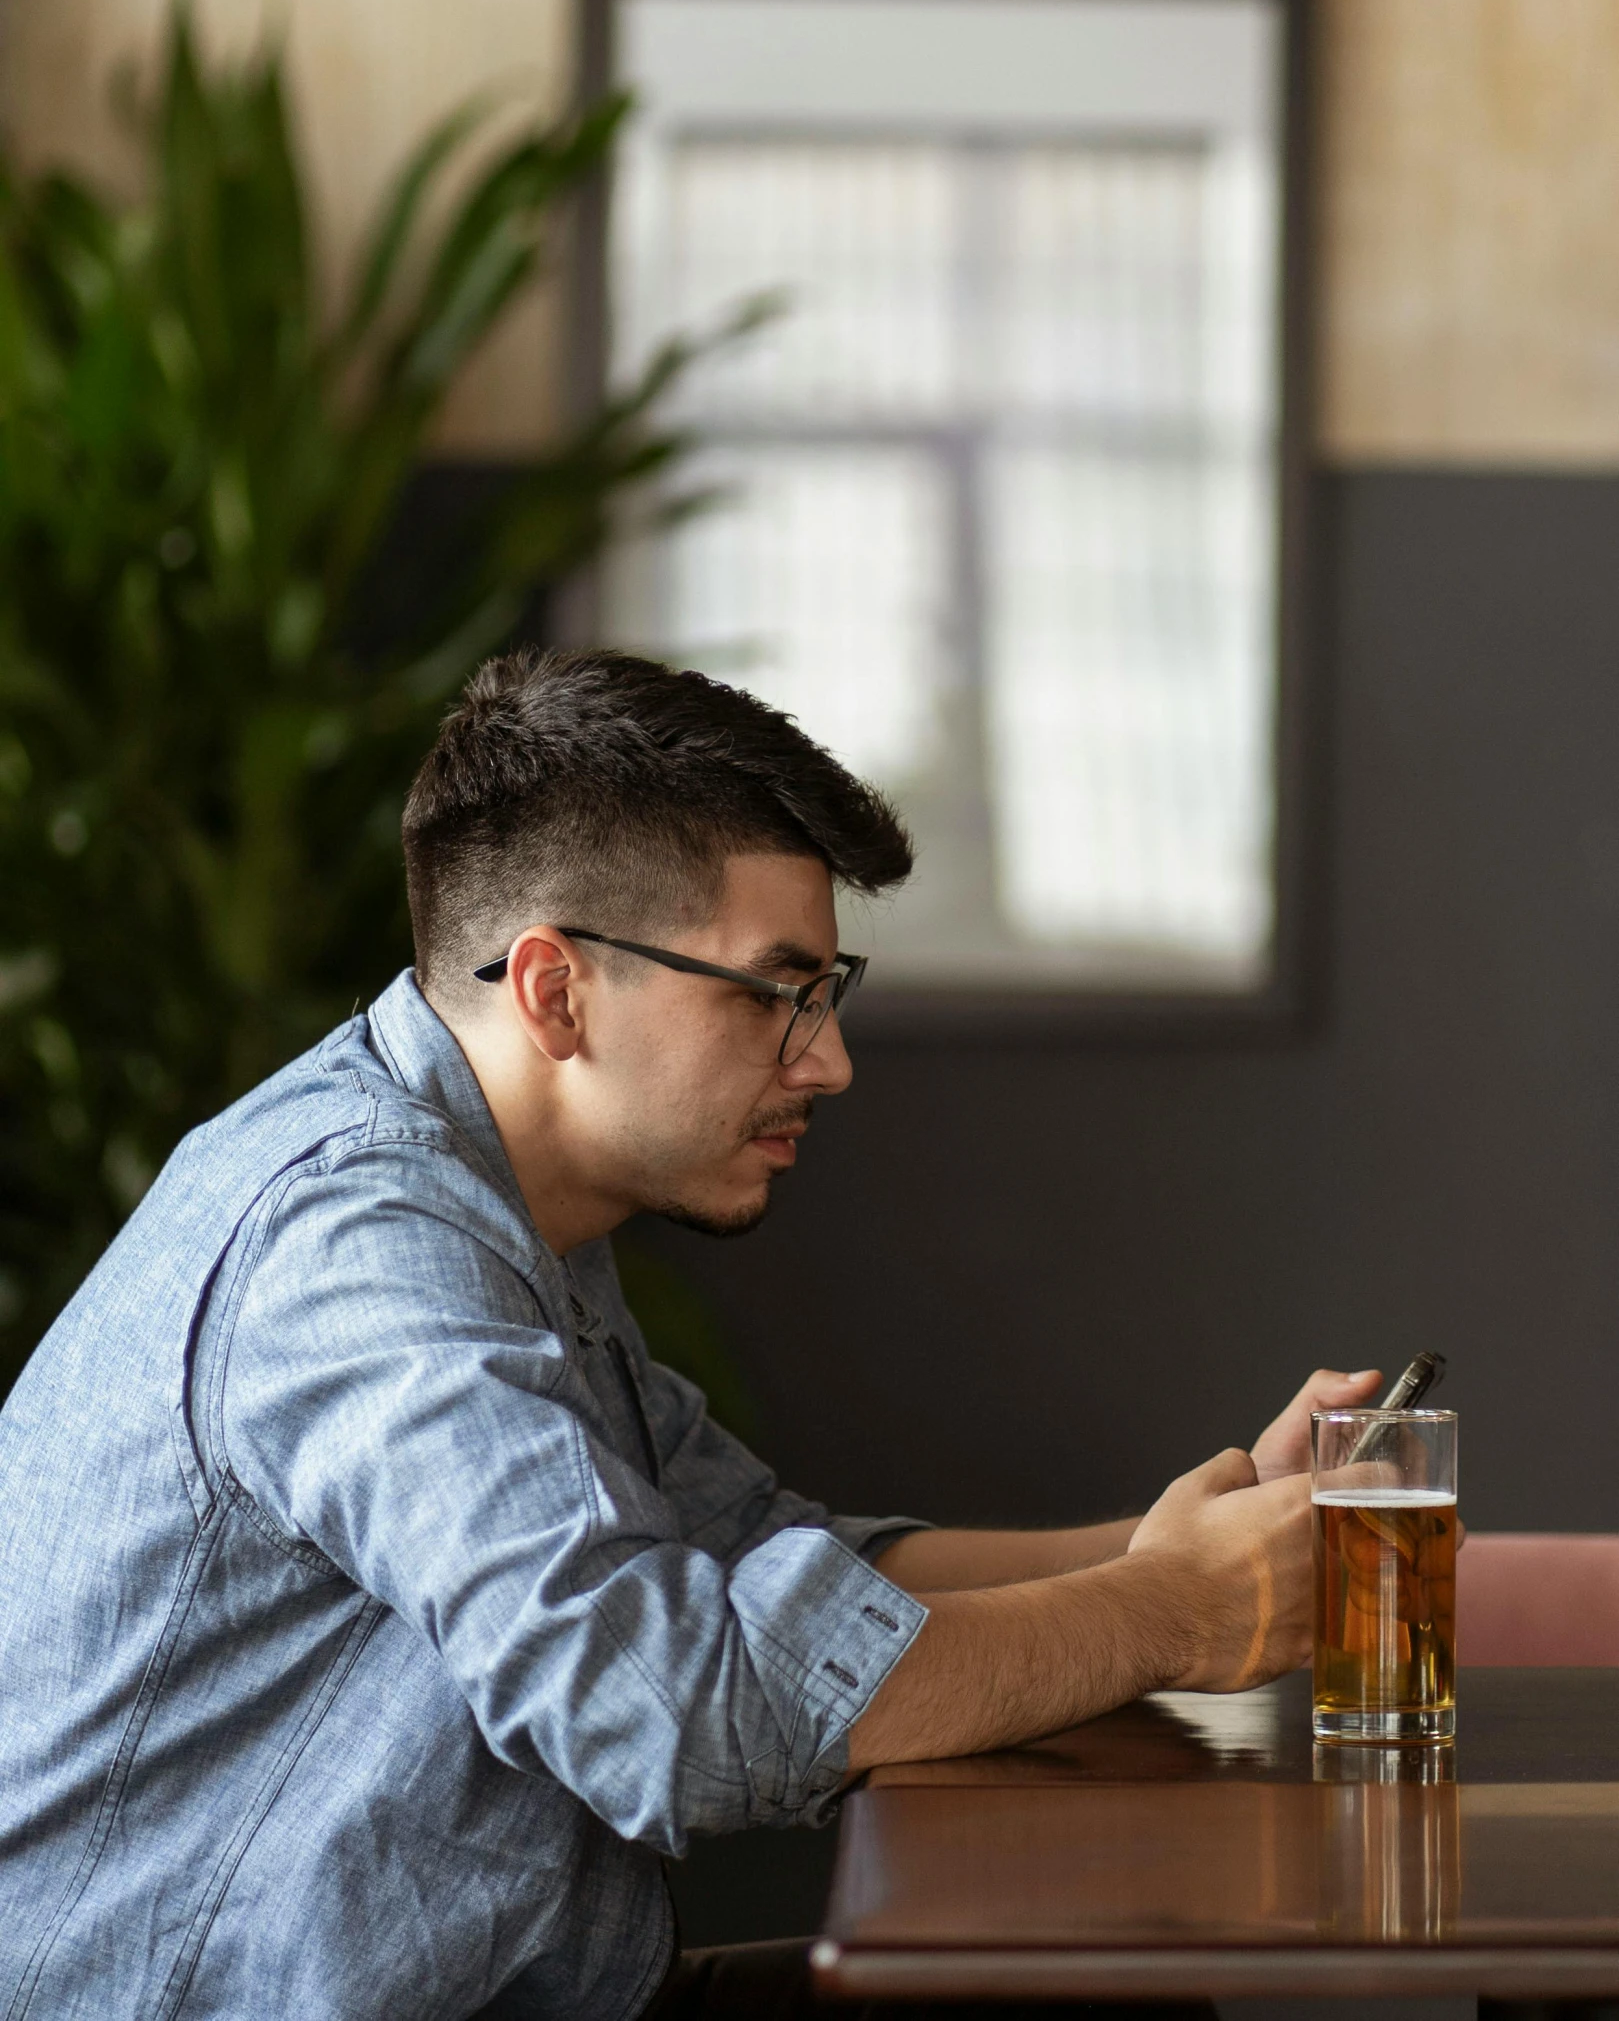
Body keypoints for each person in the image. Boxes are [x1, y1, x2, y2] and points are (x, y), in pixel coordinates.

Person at [0, 649, 1377, 2021]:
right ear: (554, 991)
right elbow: (665, 1708)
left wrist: (1183, 1540)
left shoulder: (513, 1209)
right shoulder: (355, 1246)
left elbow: (769, 1549)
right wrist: (1177, 1611)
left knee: (1105, 1990)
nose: (825, 1057)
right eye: (772, 990)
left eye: (826, 990)